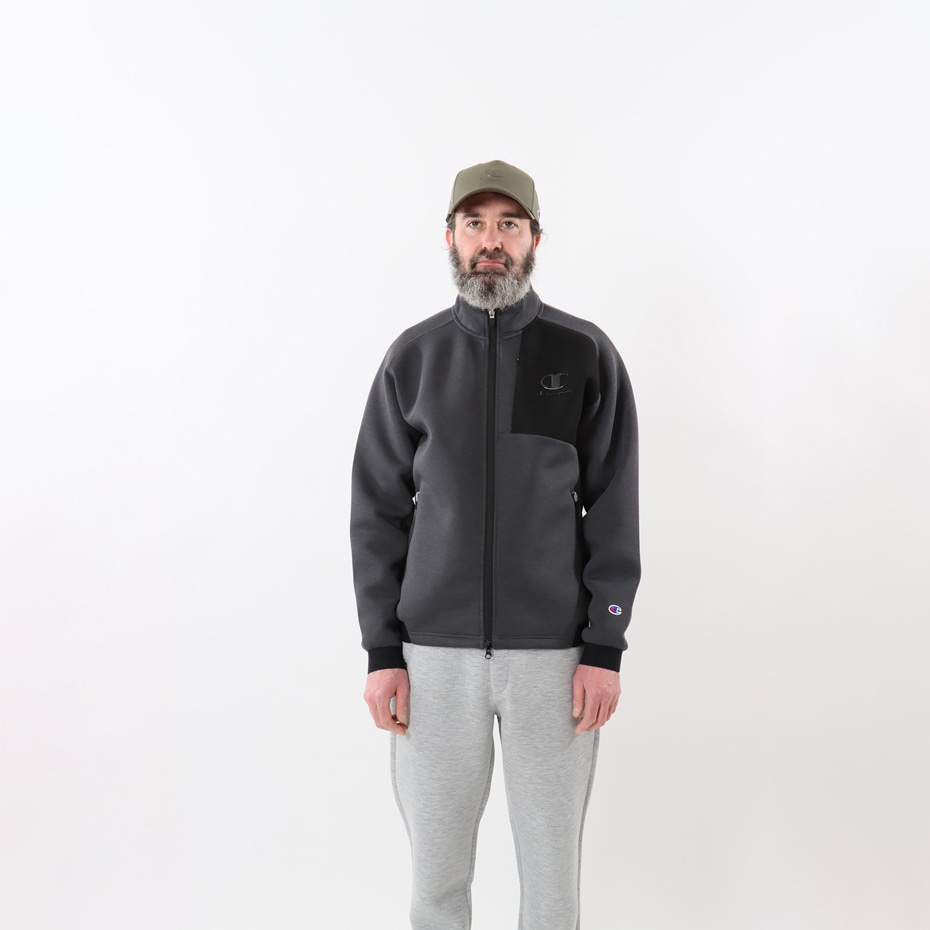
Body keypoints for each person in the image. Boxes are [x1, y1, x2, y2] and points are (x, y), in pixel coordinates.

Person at [350, 159, 641, 930]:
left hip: (555, 660)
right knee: (436, 881)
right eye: (474, 223)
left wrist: (604, 646)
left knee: (551, 883)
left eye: (509, 224)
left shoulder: (581, 353)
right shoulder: (413, 358)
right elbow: (377, 512)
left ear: (535, 239)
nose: (491, 240)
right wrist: (382, 652)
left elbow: (614, 508)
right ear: (449, 236)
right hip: (432, 660)